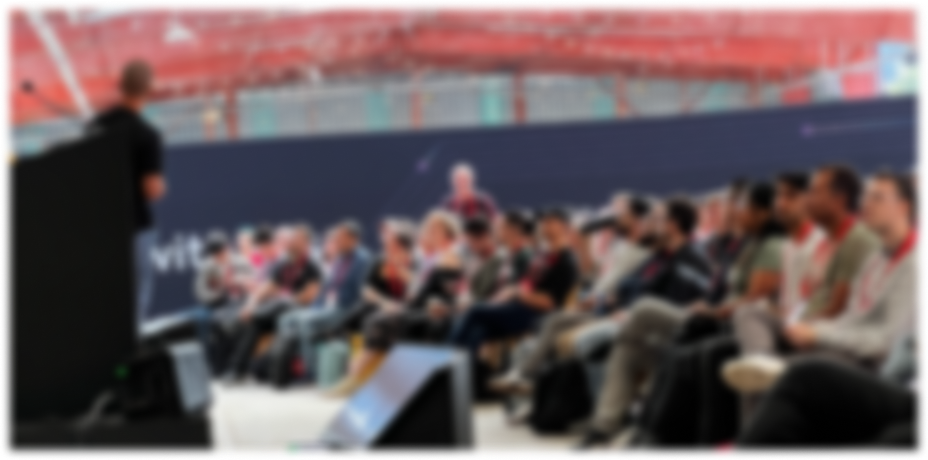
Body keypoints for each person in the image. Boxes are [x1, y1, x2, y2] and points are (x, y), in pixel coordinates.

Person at [623, 171, 923, 458]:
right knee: (733, 330)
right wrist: (810, 327)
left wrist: (818, 332)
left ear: (904, 206)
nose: (866, 203)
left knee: (774, 366)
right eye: (867, 195)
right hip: (840, 339)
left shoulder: (907, 260)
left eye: (877, 197)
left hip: (875, 363)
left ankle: (740, 431)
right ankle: (657, 439)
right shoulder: (875, 257)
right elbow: (849, 316)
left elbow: (886, 341)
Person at [490, 195, 654, 395]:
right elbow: (592, 274)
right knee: (547, 327)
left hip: (608, 310)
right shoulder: (619, 246)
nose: (615, 218)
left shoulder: (646, 254)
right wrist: (585, 242)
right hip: (592, 303)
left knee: (553, 322)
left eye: (622, 213)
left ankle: (525, 375)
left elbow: (628, 290)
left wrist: (600, 299)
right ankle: (534, 389)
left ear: (638, 220)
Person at [448, 207, 580, 388]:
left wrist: (517, 293)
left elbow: (550, 303)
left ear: (564, 227)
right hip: (517, 308)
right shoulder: (542, 256)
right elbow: (525, 284)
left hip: (535, 316)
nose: (544, 225)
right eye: (544, 221)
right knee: (478, 329)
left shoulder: (567, 261)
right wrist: (512, 293)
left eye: (551, 222)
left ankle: (445, 370)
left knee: (475, 310)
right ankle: (462, 385)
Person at [735, 336, 924, 458]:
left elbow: (884, 336)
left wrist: (818, 333)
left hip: (881, 365)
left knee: (805, 377)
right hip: (900, 375)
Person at [87, 60, 166, 326]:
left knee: (103, 294)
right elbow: (151, 189)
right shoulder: (147, 134)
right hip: (135, 225)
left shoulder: (96, 126)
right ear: (148, 90)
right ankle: (129, 354)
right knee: (136, 296)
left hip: (99, 226)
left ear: (120, 87)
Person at [275, 221, 372, 378]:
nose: (337, 241)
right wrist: (314, 308)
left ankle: (312, 372)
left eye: (341, 237)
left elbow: (361, 293)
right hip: (326, 307)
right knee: (286, 319)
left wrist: (320, 311)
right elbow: (326, 288)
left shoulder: (364, 259)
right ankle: (289, 365)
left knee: (306, 322)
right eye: (337, 237)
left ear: (353, 239)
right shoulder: (340, 259)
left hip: (346, 308)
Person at [225, 225, 322, 380]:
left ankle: (245, 319)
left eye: (295, 241)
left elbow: (309, 297)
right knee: (254, 324)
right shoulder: (285, 265)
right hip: (275, 311)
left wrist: (286, 297)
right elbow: (267, 288)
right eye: (290, 241)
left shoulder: (313, 266)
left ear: (305, 243)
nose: (290, 244)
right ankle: (237, 369)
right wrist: (251, 305)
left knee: (281, 303)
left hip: (300, 309)